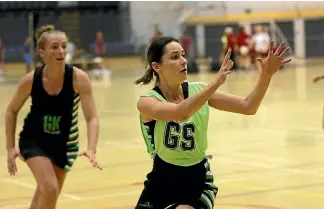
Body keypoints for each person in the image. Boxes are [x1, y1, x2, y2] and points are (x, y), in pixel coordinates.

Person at [134, 37, 291, 209]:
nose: (183, 61)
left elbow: (248, 106)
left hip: (197, 178)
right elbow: (181, 113)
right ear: (157, 67)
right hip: (163, 178)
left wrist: (266, 75)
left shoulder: (199, 90)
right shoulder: (147, 102)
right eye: (174, 57)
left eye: (183, 55)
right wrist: (215, 83)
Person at [5, 24, 101, 209]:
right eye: (55, 47)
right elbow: (11, 111)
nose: (61, 51)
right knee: (49, 188)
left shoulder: (79, 78)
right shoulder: (31, 80)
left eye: (64, 46)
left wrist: (92, 147)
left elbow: (92, 117)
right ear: (42, 52)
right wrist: (10, 148)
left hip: (64, 144)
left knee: (45, 197)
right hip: (34, 141)